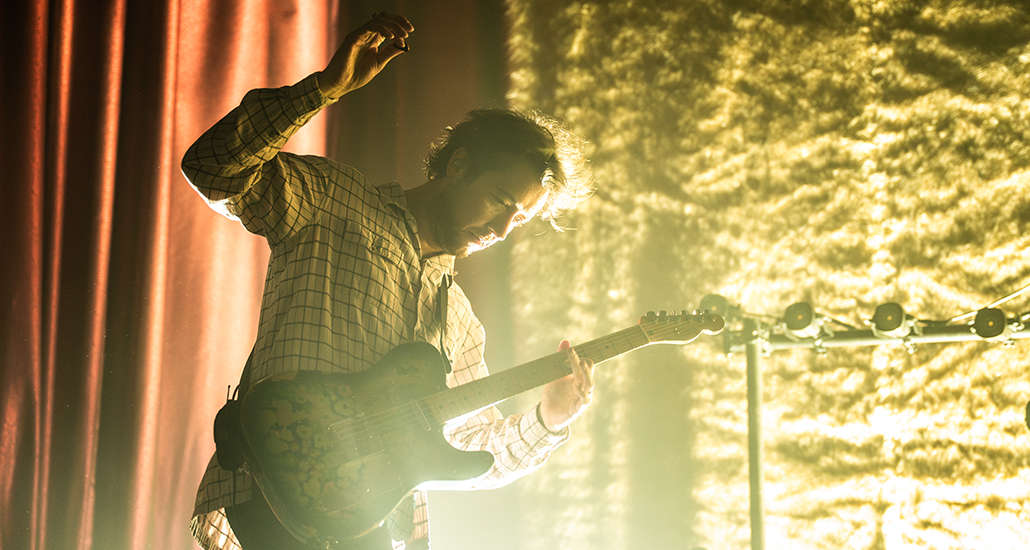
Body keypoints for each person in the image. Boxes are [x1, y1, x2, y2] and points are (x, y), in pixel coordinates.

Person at [183, 12, 595, 550]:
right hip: (272, 494)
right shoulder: (333, 201)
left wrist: (547, 421)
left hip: (376, 526)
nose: (500, 229)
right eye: (500, 200)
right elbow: (212, 168)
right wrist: (322, 89)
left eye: (518, 220)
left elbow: (470, 449)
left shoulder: (462, 323)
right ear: (458, 163)